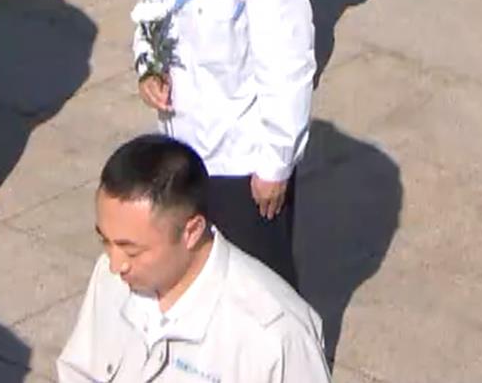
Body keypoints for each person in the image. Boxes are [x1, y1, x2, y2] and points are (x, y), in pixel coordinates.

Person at [109, 0, 315, 288]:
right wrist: (149, 67)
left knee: (259, 286)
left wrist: (275, 165)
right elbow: (149, 13)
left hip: (242, 159)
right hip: (182, 149)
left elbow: (288, 69)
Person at [56, 136, 329, 382]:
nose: (115, 265)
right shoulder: (108, 275)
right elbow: (78, 371)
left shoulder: (276, 335)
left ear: (192, 231)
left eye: (132, 250)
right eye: (106, 241)